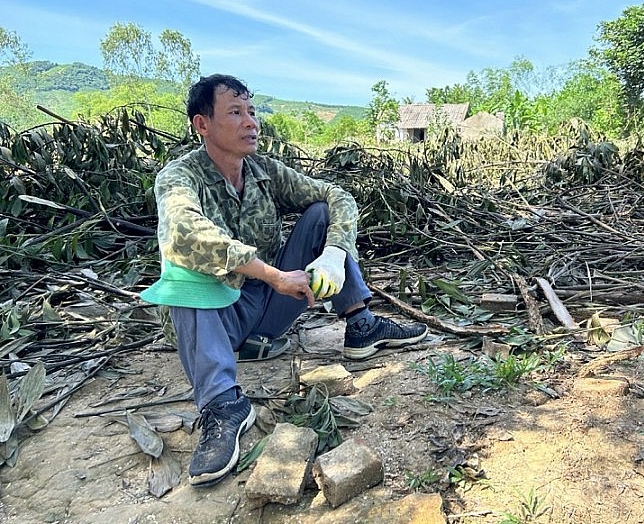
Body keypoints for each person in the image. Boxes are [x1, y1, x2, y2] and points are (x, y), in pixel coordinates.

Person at [140, 74, 428, 487]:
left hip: (272, 306)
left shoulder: (263, 170)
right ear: (202, 124)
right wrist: (273, 274)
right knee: (183, 269)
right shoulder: (180, 177)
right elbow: (185, 234)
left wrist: (334, 254)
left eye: (252, 112)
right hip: (216, 314)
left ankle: (360, 322)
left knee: (321, 214)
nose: (251, 123)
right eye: (235, 113)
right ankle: (223, 406)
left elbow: (336, 195)